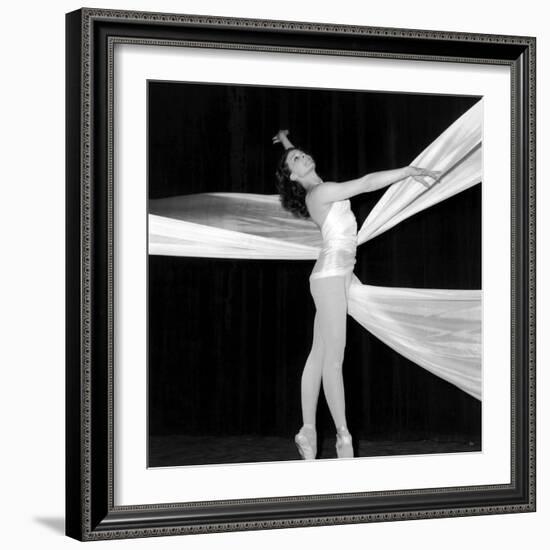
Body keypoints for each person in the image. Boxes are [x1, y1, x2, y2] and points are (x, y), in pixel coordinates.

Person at [273, 129, 441, 460]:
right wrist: (406, 171)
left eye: (303, 152)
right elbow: (365, 183)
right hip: (332, 276)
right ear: (293, 175)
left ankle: (307, 432)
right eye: (297, 158)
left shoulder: (316, 189)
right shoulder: (321, 192)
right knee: (333, 360)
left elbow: (295, 160)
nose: (303, 155)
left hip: (336, 275)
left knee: (319, 355)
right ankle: (343, 436)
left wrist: (286, 142)